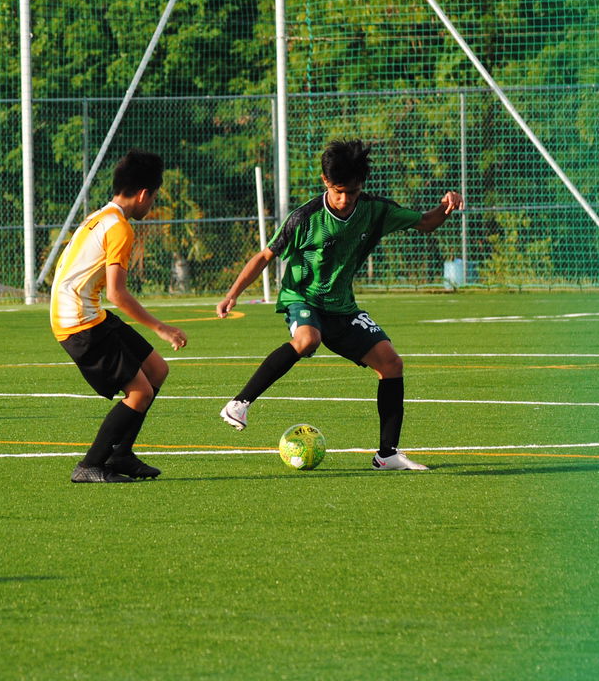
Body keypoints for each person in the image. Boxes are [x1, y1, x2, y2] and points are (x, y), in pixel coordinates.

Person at [216, 139, 463, 470]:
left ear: (362, 185)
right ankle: (240, 403)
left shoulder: (376, 210)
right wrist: (233, 293)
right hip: (303, 298)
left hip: (342, 307)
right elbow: (265, 255)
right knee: (307, 339)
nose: (345, 199)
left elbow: (425, 222)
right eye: (337, 191)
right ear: (324, 182)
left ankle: (387, 454)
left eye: (352, 191)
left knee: (391, 364)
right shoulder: (305, 217)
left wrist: (445, 207)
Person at [50, 149, 187, 483]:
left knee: (157, 369)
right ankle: (90, 465)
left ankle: (122, 454)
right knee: (140, 393)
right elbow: (117, 293)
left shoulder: (101, 216)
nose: (151, 205)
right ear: (143, 194)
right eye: (153, 197)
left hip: (88, 312)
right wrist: (162, 328)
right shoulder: (120, 228)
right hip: (79, 321)